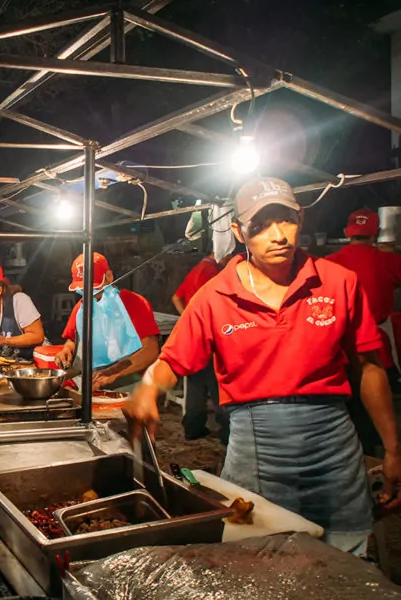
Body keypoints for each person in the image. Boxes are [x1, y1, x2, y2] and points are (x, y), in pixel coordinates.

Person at [126, 177, 401, 555]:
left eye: (285, 220)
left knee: (346, 556)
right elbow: (171, 361)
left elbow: (370, 368)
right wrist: (146, 389)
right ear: (239, 231)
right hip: (256, 446)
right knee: (257, 558)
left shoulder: (338, 282)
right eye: (261, 225)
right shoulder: (215, 295)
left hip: (334, 445)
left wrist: (392, 449)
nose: (278, 235)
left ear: (300, 219)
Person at [326, 209, 401, 454]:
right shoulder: (388, 260)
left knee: (350, 406)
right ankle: (381, 450)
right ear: (376, 233)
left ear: (348, 233)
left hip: (339, 347)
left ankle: (356, 450)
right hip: (377, 346)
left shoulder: (328, 263)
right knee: (381, 399)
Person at [55, 253, 160, 393]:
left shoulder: (134, 303)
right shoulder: (82, 307)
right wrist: (67, 350)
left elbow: (151, 350)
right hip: (91, 383)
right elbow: (73, 340)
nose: (89, 292)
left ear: (109, 277)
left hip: (129, 384)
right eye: (83, 288)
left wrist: (113, 372)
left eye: (94, 286)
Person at [172, 249, 226, 441]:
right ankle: (226, 432)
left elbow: (176, 297)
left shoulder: (196, 269)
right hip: (209, 337)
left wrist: (188, 318)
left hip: (194, 337)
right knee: (218, 384)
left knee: (195, 384)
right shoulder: (213, 272)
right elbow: (215, 304)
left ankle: (193, 429)